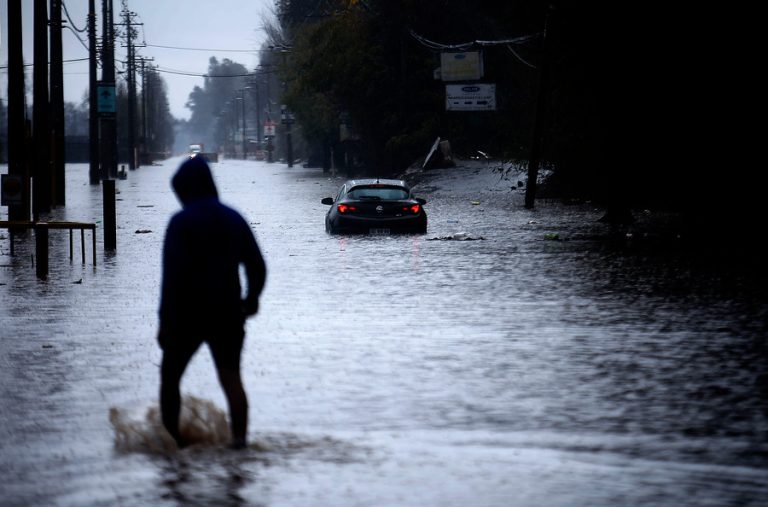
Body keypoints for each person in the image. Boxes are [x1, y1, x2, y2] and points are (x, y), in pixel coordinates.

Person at [157, 156, 266, 449]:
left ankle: (173, 446)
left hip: (187, 316)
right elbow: (257, 265)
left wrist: (165, 322)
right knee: (232, 380)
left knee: (170, 378)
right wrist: (251, 299)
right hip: (228, 313)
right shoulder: (233, 218)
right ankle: (240, 443)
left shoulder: (180, 223)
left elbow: (171, 277)